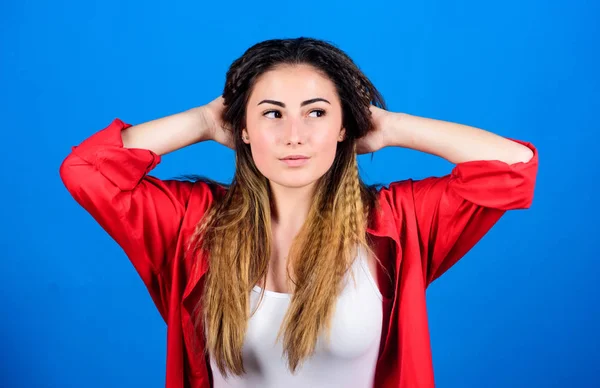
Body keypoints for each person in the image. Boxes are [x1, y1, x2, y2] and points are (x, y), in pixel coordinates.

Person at [59, 37, 538, 388]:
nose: (294, 135)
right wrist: (203, 120)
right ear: (241, 128)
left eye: (316, 112)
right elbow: (85, 172)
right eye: (271, 113)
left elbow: (513, 168)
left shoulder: (398, 221)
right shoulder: (192, 224)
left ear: (345, 126)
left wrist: (389, 126)